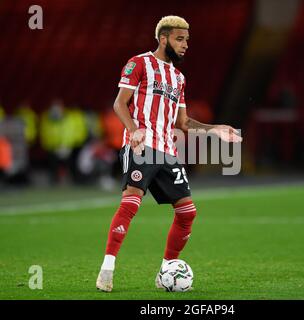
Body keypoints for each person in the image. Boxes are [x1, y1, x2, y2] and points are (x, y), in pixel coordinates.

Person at [96, 15, 242, 292]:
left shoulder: (178, 77)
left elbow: (183, 122)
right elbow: (119, 103)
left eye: (187, 40)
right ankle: (107, 268)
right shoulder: (138, 63)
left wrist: (214, 129)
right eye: (179, 39)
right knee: (132, 202)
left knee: (187, 212)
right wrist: (133, 129)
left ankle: (166, 269)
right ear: (163, 39)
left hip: (168, 151)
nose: (185, 44)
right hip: (141, 146)